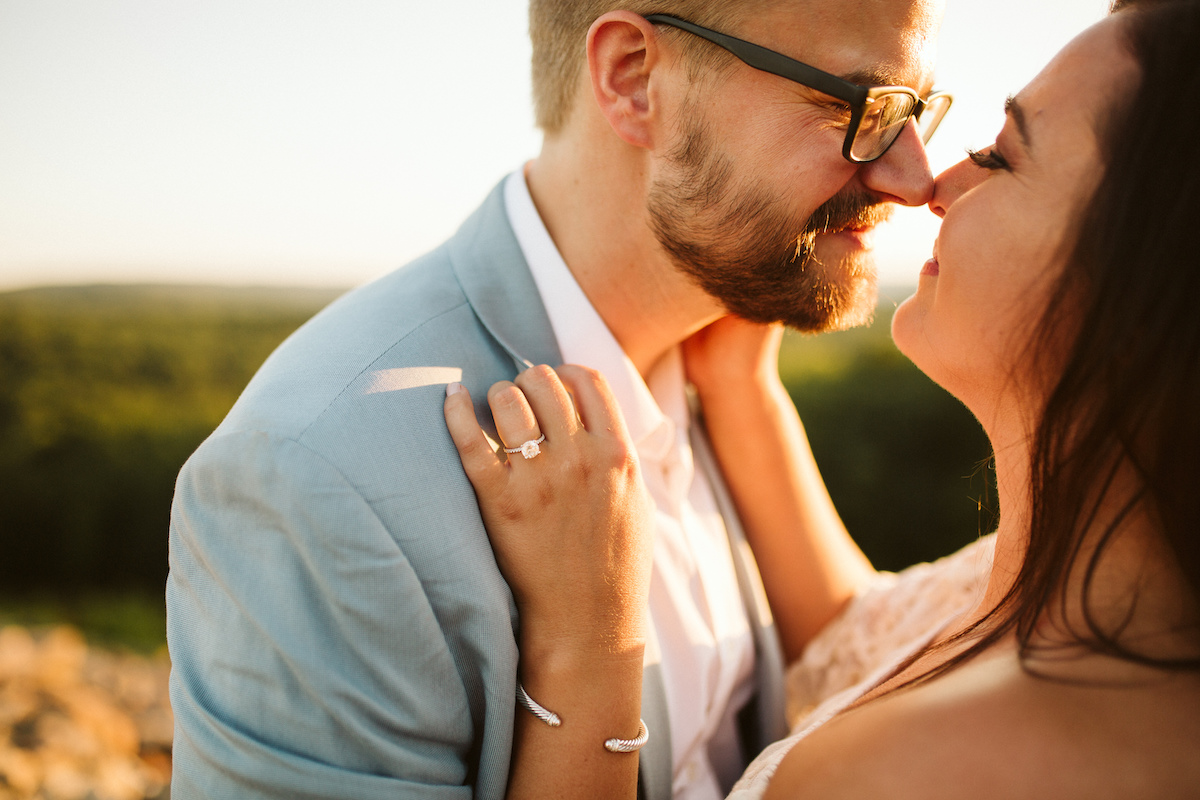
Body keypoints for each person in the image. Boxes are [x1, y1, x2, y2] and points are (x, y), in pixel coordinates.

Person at [166, 1, 951, 798]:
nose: (915, 178)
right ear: (634, 81)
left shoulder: (729, 367)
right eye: (864, 108)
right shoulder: (318, 471)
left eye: (918, 112)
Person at [443, 0, 1200, 796]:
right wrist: (742, 392)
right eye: (862, 109)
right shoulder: (1101, 595)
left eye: (1003, 156)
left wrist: (591, 647)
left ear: (1141, 286)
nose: (927, 184)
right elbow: (861, 636)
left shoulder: (907, 775)